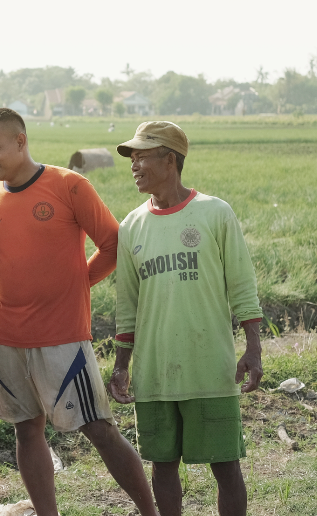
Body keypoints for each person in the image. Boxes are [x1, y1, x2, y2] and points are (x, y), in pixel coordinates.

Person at [0, 108, 158, 516]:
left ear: (21, 141)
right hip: (8, 339)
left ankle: (150, 512)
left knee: (99, 429)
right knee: (26, 431)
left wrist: (78, 281)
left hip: (63, 339)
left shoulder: (69, 185)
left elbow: (113, 245)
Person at [109, 121, 264, 516]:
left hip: (210, 369)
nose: (135, 165)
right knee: (162, 465)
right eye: (132, 158)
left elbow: (242, 286)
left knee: (225, 465)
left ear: (170, 160)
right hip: (155, 372)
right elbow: (127, 305)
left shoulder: (215, 213)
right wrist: (122, 365)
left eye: (143, 156)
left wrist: (253, 349)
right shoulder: (131, 226)